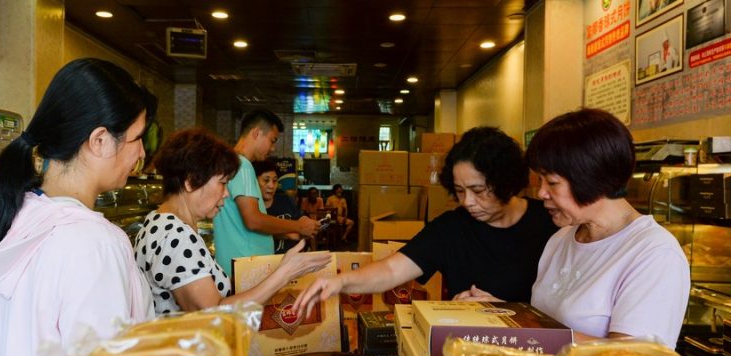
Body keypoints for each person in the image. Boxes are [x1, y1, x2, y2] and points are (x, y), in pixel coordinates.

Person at [0, 58, 158, 356]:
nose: (141, 155)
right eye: (138, 138)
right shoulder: (95, 242)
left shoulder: (20, 219)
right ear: (99, 140)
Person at [293, 127, 559, 317]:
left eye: (478, 191)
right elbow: (391, 270)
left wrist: (504, 310)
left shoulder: (551, 224)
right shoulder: (452, 227)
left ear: (507, 182)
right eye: (459, 191)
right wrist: (341, 282)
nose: (467, 201)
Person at [523, 108, 689, 348]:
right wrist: (502, 315)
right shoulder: (561, 238)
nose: (541, 193)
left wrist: (528, 337)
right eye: (540, 180)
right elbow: (543, 323)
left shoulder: (654, 253)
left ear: (590, 177)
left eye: (552, 182)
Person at [135, 129, 331, 313]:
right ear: (191, 181)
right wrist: (285, 273)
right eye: (222, 183)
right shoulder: (175, 235)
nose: (227, 194)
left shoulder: (160, 222)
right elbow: (213, 314)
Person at [213, 109, 320, 274]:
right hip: (246, 268)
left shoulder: (228, 163)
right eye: (272, 140)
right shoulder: (243, 166)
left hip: (238, 265)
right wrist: (298, 225)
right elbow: (253, 220)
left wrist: (287, 233)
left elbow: (241, 225)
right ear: (256, 133)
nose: (272, 149)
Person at [253, 159, 303, 254]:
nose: (271, 186)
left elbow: (300, 225)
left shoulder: (285, 200)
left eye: (274, 181)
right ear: (254, 181)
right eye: (266, 180)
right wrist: (287, 234)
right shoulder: (251, 207)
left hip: (292, 260)